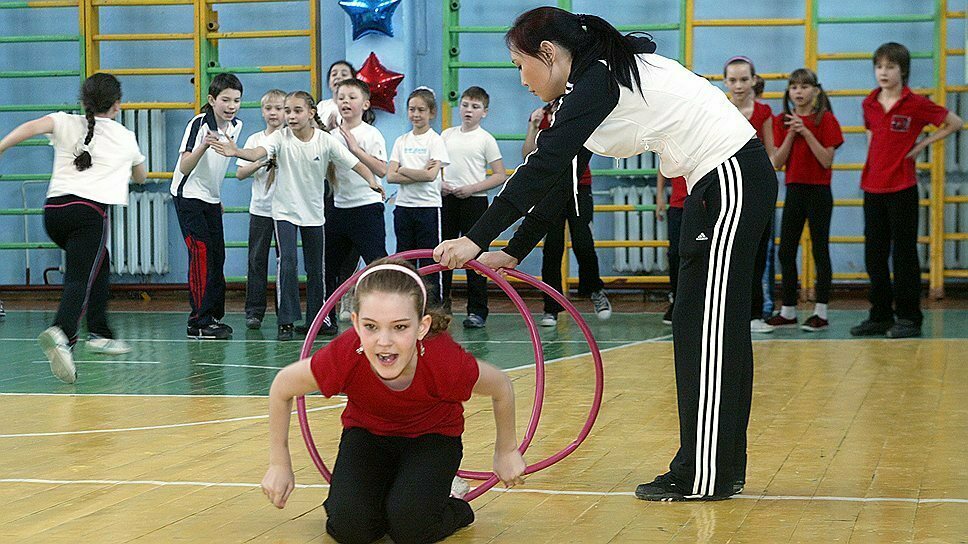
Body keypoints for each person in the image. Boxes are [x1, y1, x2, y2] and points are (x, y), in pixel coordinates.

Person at [434, 7, 777, 500]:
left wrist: (477, 238)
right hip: (717, 183)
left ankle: (707, 473)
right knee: (699, 327)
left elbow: (541, 166)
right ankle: (710, 466)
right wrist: (516, 248)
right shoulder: (592, 83)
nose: (522, 79)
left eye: (519, 64)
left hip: (729, 180)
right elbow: (563, 180)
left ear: (548, 54)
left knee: (706, 331)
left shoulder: (596, 79)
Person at [260, 258, 526, 543]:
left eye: (399, 327)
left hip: (432, 438)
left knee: (411, 528)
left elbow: (500, 385)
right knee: (351, 528)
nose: (384, 341)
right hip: (367, 436)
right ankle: (394, 499)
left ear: (422, 326)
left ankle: (453, 504)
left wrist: (506, 450)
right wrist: (279, 463)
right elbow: (282, 386)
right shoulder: (347, 354)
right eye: (371, 326)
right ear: (356, 325)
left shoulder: (443, 359)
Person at [0, 73, 147, 383]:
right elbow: (141, 177)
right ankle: (62, 333)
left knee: (99, 264)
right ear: (117, 105)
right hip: (89, 215)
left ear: (84, 102)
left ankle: (100, 331)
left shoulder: (64, 121)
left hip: (54, 213)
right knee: (80, 278)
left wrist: (1, 147)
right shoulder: (125, 136)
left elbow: (29, 128)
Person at [211, 91, 378, 342]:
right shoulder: (280, 137)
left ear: (311, 113)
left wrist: (372, 181)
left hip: (313, 214)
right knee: (287, 262)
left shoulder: (325, 141)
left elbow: (355, 163)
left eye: (297, 111)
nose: (291, 116)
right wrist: (236, 151)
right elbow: (257, 153)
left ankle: (317, 320)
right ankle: (286, 321)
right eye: (287, 111)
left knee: (316, 270)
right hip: (284, 212)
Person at [850, 43, 963, 339]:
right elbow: (872, 138)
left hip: (902, 188)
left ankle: (910, 318)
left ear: (903, 70)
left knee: (903, 255)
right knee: (874, 255)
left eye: (890, 67)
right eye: (879, 67)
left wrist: (923, 144)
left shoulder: (916, 103)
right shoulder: (869, 104)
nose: (883, 73)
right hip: (872, 187)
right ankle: (880, 315)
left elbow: (955, 122)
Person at [765, 68, 843, 332]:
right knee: (786, 250)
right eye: (794, 87)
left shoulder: (827, 120)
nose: (799, 92)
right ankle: (788, 310)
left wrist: (807, 132)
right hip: (794, 189)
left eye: (804, 86)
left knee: (820, 250)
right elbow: (777, 161)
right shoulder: (782, 121)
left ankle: (821, 311)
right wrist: (791, 132)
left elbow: (827, 160)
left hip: (819, 191)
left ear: (815, 91)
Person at [523, 102, 612, 327]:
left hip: (579, 187)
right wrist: (534, 126)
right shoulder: (542, 115)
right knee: (552, 247)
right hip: (551, 189)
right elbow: (527, 154)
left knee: (583, 242)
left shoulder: (579, 109)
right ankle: (551, 306)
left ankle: (594, 290)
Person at [171, 73, 244, 340]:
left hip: (210, 199)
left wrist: (217, 196)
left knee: (217, 257)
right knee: (200, 255)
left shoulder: (236, 126)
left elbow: (216, 167)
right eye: (225, 99)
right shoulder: (199, 124)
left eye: (236, 100)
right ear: (212, 100)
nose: (231, 105)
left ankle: (212, 316)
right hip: (188, 197)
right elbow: (185, 166)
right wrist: (203, 145)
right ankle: (198, 322)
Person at [325, 78, 389, 328]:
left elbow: (382, 170)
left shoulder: (371, 134)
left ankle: (384, 314)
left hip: (367, 209)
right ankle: (326, 318)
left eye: (352, 97)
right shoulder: (329, 136)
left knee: (378, 265)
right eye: (341, 97)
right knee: (329, 268)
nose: (345, 102)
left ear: (365, 104)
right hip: (339, 209)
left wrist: (355, 149)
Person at [441, 86, 507, 327]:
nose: (469, 110)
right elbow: (434, 166)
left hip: (475, 202)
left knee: (475, 257)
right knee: (444, 254)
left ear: (484, 112)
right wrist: (442, 184)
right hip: (447, 201)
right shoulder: (446, 135)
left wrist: (472, 188)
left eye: (475, 106)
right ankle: (441, 307)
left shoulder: (486, 139)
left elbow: (499, 175)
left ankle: (477, 311)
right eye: (465, 105)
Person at [724, 56, 778, 334]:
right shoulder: (719, 108)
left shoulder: (764, 111)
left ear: (754, 80)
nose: (739, 85)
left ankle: (756, 312)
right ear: (725, 82)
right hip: (728, 191)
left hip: (757, 192)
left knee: (758, 255)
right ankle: (730, 314)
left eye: (744, 79)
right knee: (729, 255)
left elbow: (773, 156)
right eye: (733, 80)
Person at [387, 87, 451, 306]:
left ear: (431, 113)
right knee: (404, 258)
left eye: (421, 110)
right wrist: (417, 173)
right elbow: (390, 176)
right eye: (412, 109)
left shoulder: (435, 141)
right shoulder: (401, 141)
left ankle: (432, 304)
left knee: (429, 258)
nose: (416, 114)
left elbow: (431, 176)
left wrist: (404, 169)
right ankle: (404, 302)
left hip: (428, 207)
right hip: (404, 208)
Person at [237, 89, 286, 331]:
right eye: (269, 108)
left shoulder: (290, 138)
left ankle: (283, 312)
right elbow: (240, 173)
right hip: (260, 209)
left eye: (279, 108)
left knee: (284, 261)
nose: (273, 113)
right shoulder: (255, 140)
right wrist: (260, 161)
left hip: (286, 211)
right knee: (256, 260)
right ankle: (254, 311)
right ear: (262, 111)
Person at [655, 172, 687, 325]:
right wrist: (660, 197)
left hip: (702, 204)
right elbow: (662, 166)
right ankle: (676, 300)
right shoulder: (672, 147)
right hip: (677, 205)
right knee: (674, 255)